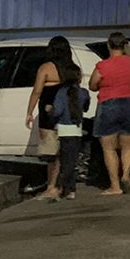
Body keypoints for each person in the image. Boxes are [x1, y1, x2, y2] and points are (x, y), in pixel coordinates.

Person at [88, 31, 130, 196]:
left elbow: (92, 84)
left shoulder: (102, 65)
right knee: (128, 145)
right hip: (128, 103)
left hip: (108, 105)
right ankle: (126, 176)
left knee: (109, 148)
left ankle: (115, 185)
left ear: (109, 45)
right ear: (124, 45)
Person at [26, 36, 76, 199]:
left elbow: (37, 91)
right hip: (69, 115)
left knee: (51, 153)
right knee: (65, 153)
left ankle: (51, 187)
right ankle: (65, 186)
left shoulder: (46, 68)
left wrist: (29, 111)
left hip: (49, 115)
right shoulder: (74, 70)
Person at [50, 62, 91, 200]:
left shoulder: (61, 93)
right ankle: (70, 189)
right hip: (76, 130)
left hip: (63, 130)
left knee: (65, 161)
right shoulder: (83, 93)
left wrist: (50, 110)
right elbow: (85, 108)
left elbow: (58, 111)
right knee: (72, 161)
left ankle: (65, 188)